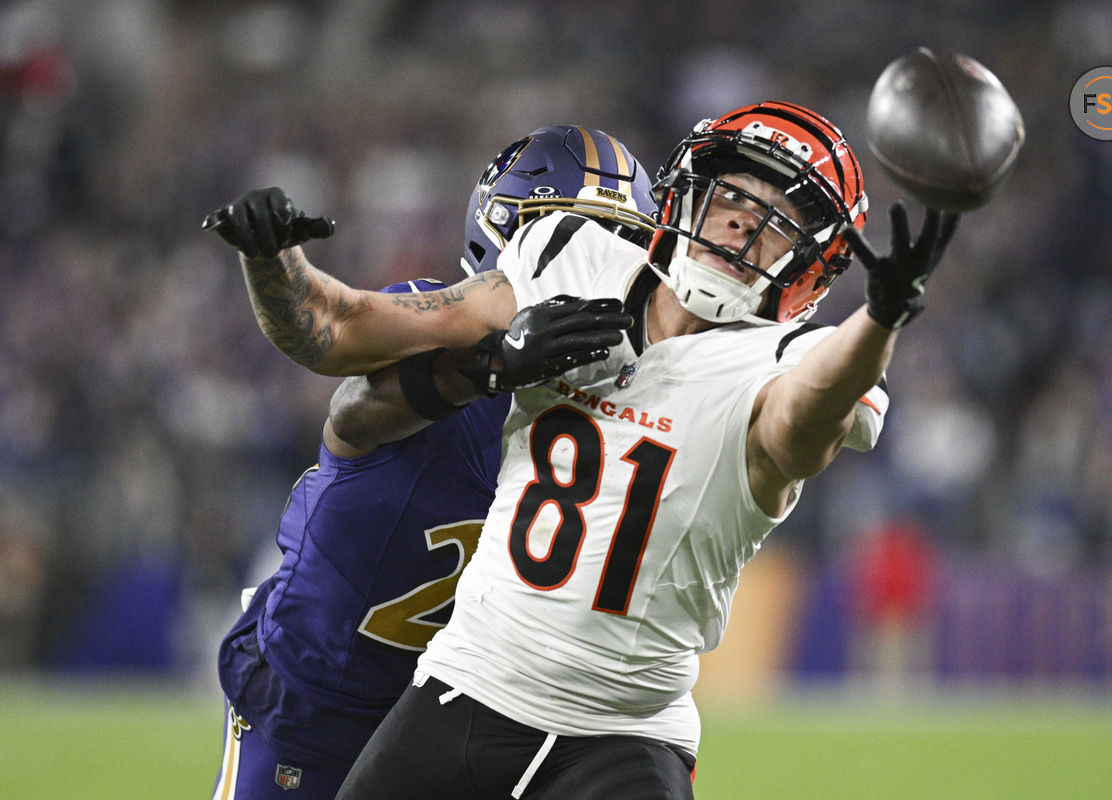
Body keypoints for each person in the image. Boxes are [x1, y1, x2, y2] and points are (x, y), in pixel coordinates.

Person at [207, 100, 957, 799]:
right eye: (732, 199)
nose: (744, 229)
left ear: (813, 266)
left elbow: (807, 415)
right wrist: (276, 261)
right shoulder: (567, 263)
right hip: (437, 682)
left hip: (621, 725)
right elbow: (342, 347)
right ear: (685, 194)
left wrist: (882, 321)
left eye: (781, 222)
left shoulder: (788, 362)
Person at [207, 125, 658, 799]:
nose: (593, 260)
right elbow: (351, 404)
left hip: (469, 714)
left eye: (621, 237)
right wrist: (488, 368)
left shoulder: (639, 402)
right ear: (503, 234)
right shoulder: (454, 337)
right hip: (320, 688)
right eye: (571, 233)